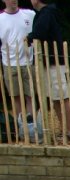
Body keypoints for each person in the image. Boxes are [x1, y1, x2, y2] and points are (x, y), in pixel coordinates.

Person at [29, 0, 70, 141]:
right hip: (50, 62)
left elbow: (39, 33)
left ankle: (69, 130)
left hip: (54, 62)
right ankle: (65, 129)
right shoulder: (47, 12)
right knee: (55, 98)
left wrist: (28, 38)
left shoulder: (46, 13)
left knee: (62, 96)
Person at [0, 0, 35, 129]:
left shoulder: (30, 14)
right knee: (15, 96)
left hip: (27, 62)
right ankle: (20, 126)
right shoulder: (0, 18)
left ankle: (32, 125)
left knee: (30, 95)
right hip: (8, 63)